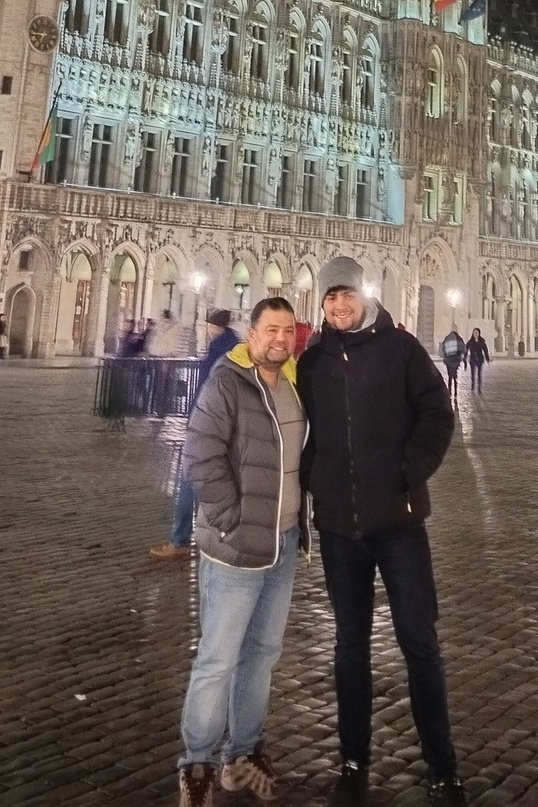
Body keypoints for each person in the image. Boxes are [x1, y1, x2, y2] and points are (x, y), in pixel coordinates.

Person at [296, 282, 462, 807]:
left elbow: (437, 413)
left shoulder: (402, 348)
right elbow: (302, 432)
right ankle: (353, 761)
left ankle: (442, 766)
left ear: (365, 297)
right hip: (339, 529)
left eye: (347, 295)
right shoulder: (313, 361)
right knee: (350, 646)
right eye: (330, 298)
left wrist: (409, 471)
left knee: (420, 644)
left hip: (399, 524)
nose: (339, 306)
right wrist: (313, 487)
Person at [175, 297, 306, 807]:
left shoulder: (294, 385)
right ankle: (197, 763)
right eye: (270, 329)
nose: (279, 338)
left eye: (287, 330)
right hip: (235, 547)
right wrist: (230, 521)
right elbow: (200, 457)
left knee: (262, 655)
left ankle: (243, 754)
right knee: (218, 659)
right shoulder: (227, 383)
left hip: (283, 543)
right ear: (251, 334)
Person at [150, 310, 240, 562]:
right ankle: (211, 537)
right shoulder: (231, 347)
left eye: (210, 325)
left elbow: (209, 387)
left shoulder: (221, 351)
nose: (208, 329)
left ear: (216, 326)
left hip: (208, 425)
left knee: (188, 482)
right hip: (217, 425)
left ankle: (180, 540)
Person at [439, 328, 466, 403]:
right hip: (456, 361)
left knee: (449, 377)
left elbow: (443, 348)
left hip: (448, 361)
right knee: (455, 377)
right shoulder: (459, 339)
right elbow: (463, 349)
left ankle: (449, 392)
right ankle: (456, 392)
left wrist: (445, 355)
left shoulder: (447, 338)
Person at [465, 328, 490, 393]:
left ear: (479, 333)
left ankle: (479, 387)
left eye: (477, 333)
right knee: (472, 373)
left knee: (479, 374)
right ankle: (473, 385)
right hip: (472, 359)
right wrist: (464, 358)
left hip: (479, 359)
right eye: (474, 333)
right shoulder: (470, 341)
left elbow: (485, 350)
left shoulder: (482, 341)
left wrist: (487, 358)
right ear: (472, 333)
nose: (475, 334)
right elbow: (466, 350)